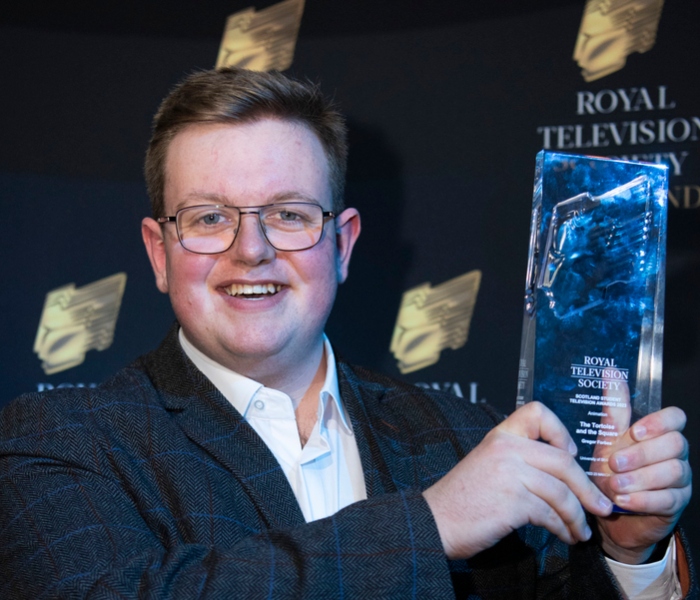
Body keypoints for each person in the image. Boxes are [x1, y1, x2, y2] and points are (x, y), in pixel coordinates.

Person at [0, 67, 693, 599]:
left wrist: (630, 553)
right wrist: (429, 526)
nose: (252, 250)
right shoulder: (60, 444)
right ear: (159, 252)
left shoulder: (471, 437)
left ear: (344, 244)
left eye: (291, 214)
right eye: (210, 217)